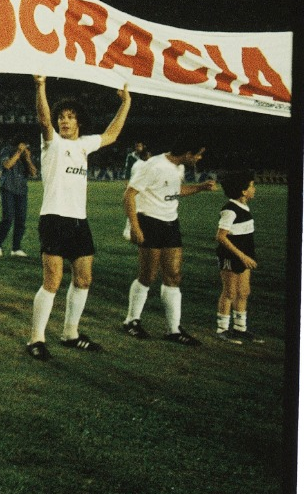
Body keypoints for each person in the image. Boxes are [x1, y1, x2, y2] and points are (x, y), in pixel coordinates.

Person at [26, 75, 130, 360]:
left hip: (78, 221)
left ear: (79, 122)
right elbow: (43, 121)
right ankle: (36, 338)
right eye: (62, 117)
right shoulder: (53, 144)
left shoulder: (85, 144)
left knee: (83, 279)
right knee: (53, 281)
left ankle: (70, 333)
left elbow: (112, 135)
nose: (64, 121)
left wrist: (127, 103)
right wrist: (40, 86)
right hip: (54, 218)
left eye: (70, 117)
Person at [120, 143, 217, 345]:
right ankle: (131, 320)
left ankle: (173, 329)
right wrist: (135, 227)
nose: (198, 159)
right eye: (197, 155)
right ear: (188, 152)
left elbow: (176, 190)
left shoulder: (178, 168)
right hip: (150, 221)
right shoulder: (153, 166)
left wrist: (200, 188)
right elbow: (129, 194)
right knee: (148, 275)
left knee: (173, 275)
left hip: (171, 223)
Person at [214, 169, 261, 343]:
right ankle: (222, 329)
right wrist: (242, 256)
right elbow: (220, 236)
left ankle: (240, 329)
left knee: (244, 292)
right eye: (252, 186)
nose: (254, 189)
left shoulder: (244, 207)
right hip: (231, 256)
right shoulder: (230, 210)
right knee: (230, 292)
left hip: (243, 257)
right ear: (243, 191)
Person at [0, 137, 37, 258]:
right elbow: (7, 165)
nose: (25, 149)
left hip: (21, 190)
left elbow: (33, 173)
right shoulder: (7, 150)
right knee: (8, 217)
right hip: (8, 188)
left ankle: (16, 248)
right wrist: (18, 152)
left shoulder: (25, 158)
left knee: (21, 220)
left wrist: (27, 158)